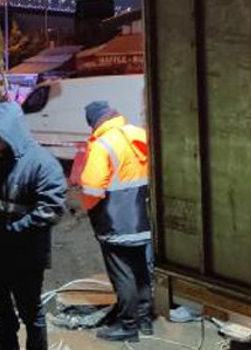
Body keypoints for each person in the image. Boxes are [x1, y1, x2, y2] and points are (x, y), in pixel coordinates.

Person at [0, 102, 67, 350]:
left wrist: (14, 229)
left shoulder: (42, 164)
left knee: (29, 308)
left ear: (12, 134)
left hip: (27, 254)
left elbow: (51, 209)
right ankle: (7, 345)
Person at [79, 101, 152, 342]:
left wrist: (89, 210)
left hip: (115, 222)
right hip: (144, 218)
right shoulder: (139, 134)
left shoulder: (102, 145)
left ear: (94, 122)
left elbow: (92, 189)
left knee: (123, 274)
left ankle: (128, 325)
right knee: (141, 270)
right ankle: (144, 320)